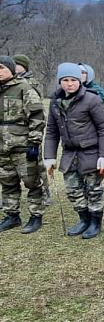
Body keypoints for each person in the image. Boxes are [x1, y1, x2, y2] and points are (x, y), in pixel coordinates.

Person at [44, 63, 104, 239]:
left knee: (93, 190)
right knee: (73, 190)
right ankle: (83, 219)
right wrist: (49, 157)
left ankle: (95, 223)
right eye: (65, 80)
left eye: (73, 80)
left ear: (79, 81)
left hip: (91, 153)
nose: (69, 84)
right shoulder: (55, 102)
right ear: (60, 81)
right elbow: (52, 131)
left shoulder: (92, 99)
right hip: (69, 154)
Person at [0, 56, 46, 234]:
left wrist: (34, 143)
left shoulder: (24, 88)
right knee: (8, 182)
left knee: (32, 182)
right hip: (2, 148)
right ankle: (12, 215)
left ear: (11, 69)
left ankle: (36, 216)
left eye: (2, 68)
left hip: (22, 146)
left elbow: (37, 116)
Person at [13, 53, 52, 206]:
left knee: (37, 165)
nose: (14, 67)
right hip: (12, 134)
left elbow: (37, 110)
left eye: (17, 64)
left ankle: (45, 193)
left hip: (30, 130)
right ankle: (10, 197)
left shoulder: (31, 83)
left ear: (24, 66)